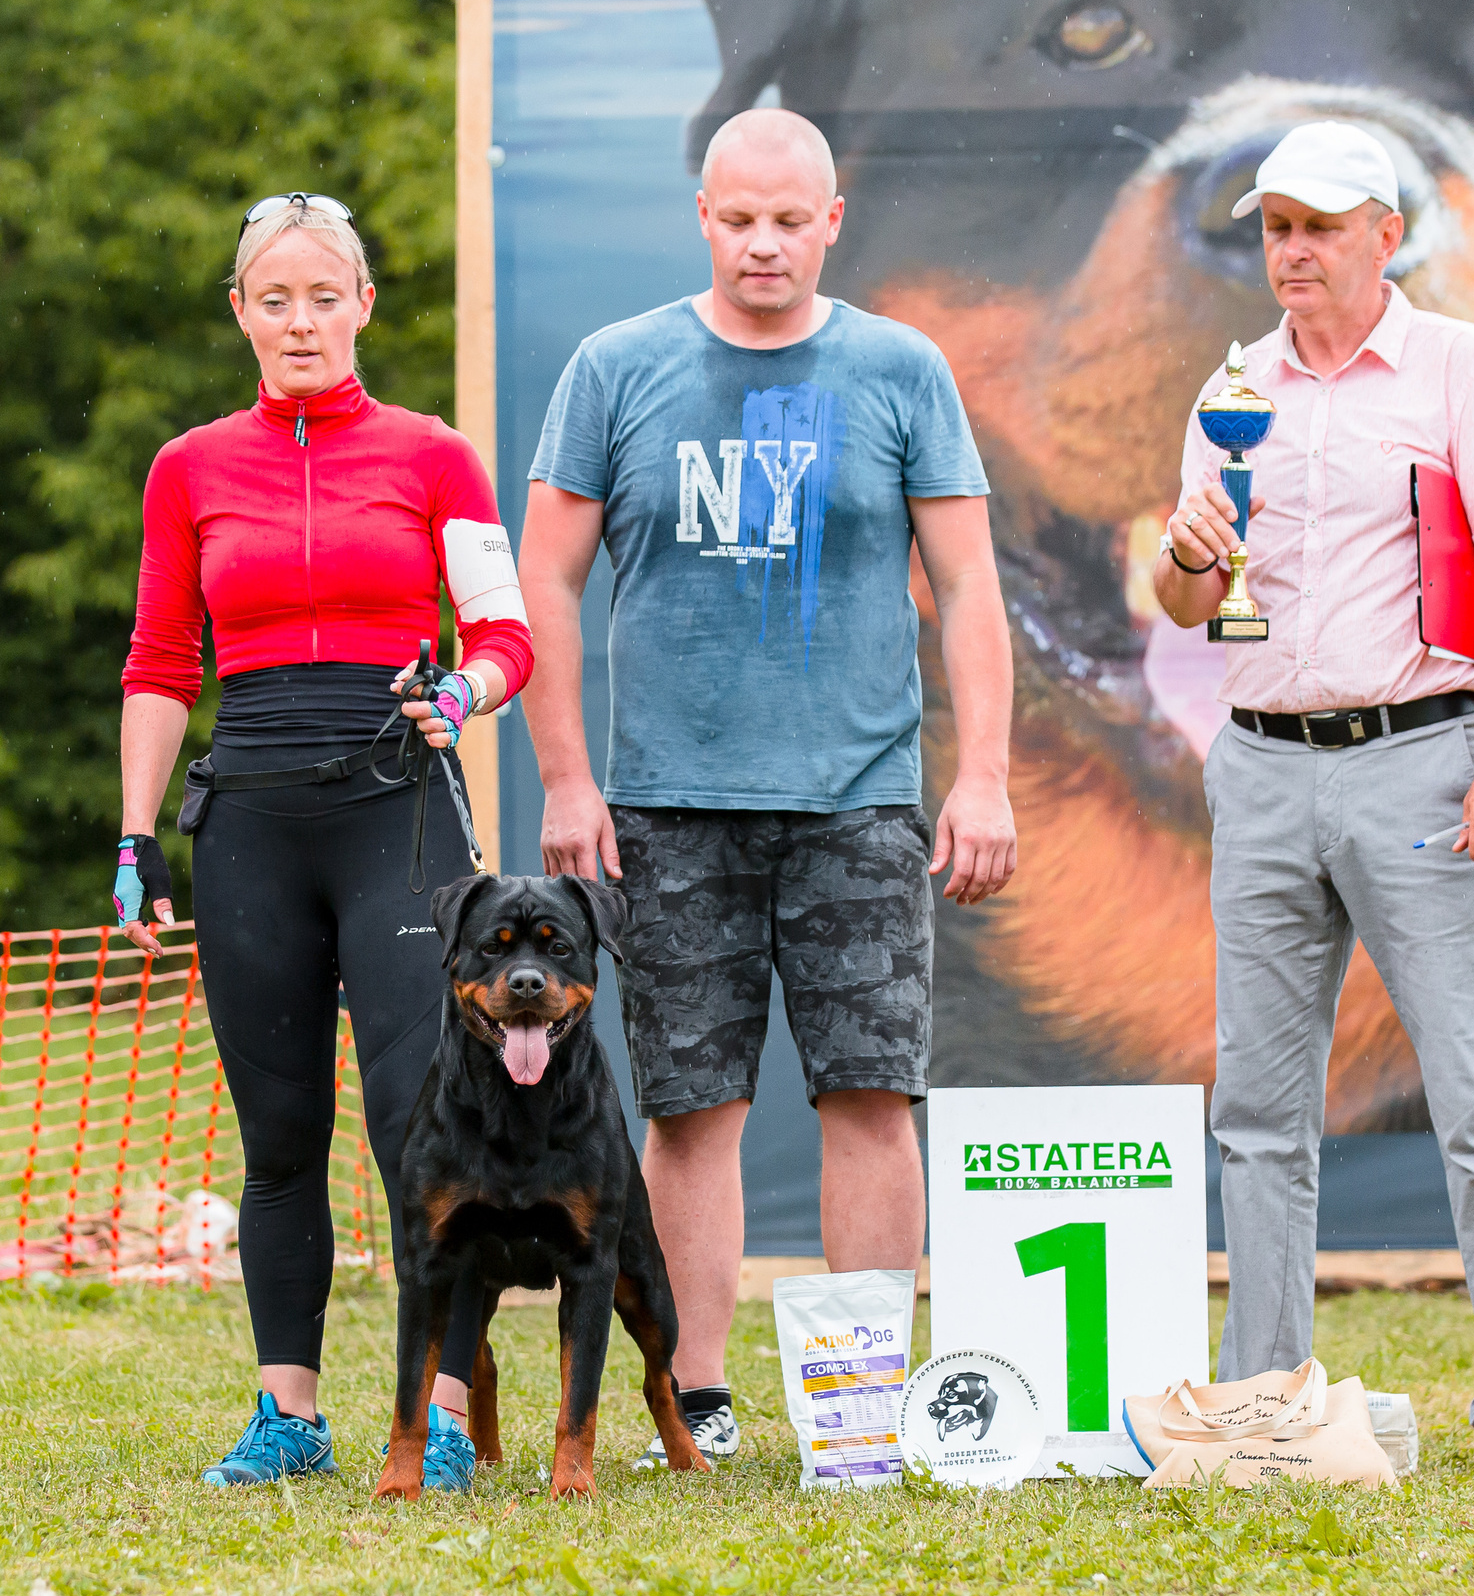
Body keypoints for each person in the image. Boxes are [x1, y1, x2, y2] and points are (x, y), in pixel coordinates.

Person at [518, 108, 1018, 1467]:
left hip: (860, 802)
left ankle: (864, 1402)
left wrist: (981, 777)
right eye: (740, 218)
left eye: (790, 220)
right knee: (691, 1106)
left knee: (871, 1094)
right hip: (668, 805)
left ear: (833, 220)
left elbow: (970, 584)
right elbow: (542, 583)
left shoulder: (901, 368)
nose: (764, 243)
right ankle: (701, 1392)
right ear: (702, 215)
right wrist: (569, 778)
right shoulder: (615, 370)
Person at [1150, 121, 1474, 1477]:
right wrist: (1184, 558)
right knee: (1260, 1117)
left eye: (1321, 226)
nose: (1292, 250)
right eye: (1275, 226)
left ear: (1388, 235)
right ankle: (1267, 1408)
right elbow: (1189, 607)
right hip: (1262, 762)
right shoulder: (1233, 388)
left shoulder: (1463, 368)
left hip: (1424, 758)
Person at [115, 192, 530, 1491]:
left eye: (324, 295)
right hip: (251, 825)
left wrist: (458, 698)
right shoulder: (188, 468)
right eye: (273, 298)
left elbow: (506, 638)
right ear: (241, 313)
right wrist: (137, 839)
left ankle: (446, 1417)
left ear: (364, 306)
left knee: (429, 1132)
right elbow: (158, 662)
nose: (301, 320)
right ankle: (287, 1416)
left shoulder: (433, 456)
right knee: (281, 1134)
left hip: (398, 817)